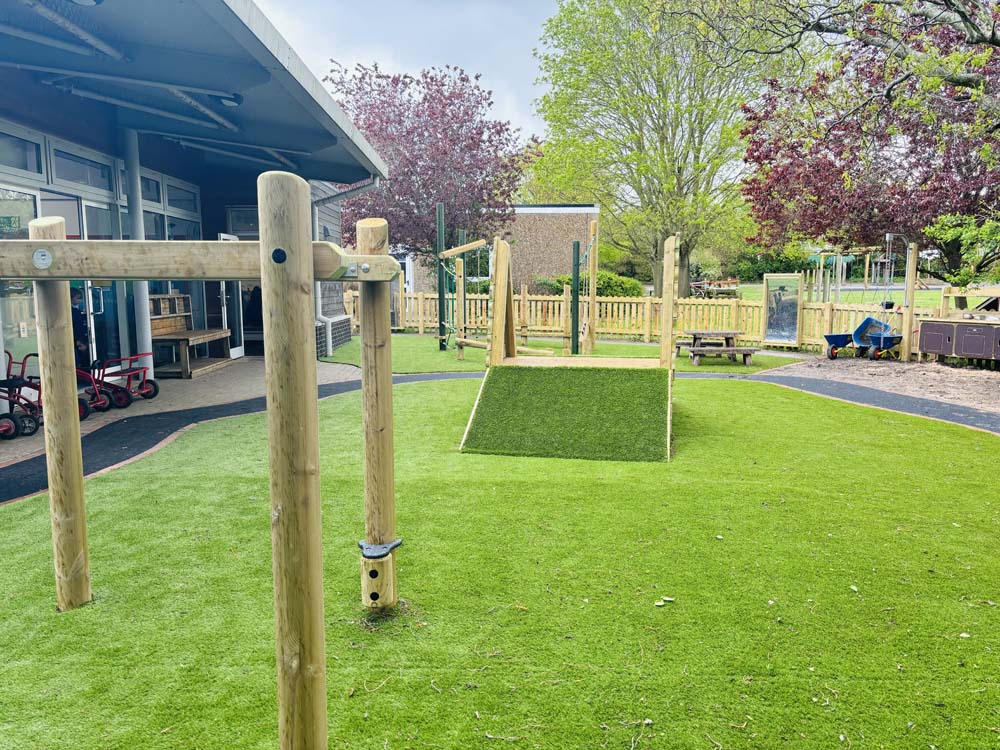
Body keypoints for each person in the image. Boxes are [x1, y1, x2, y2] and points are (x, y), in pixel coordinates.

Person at [70, 287, 89, 370]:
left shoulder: (76, 311)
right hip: (77, 338)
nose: (80, 300)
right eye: (77, 298)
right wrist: (79, 340)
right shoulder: (75, 312)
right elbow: (78, 327)